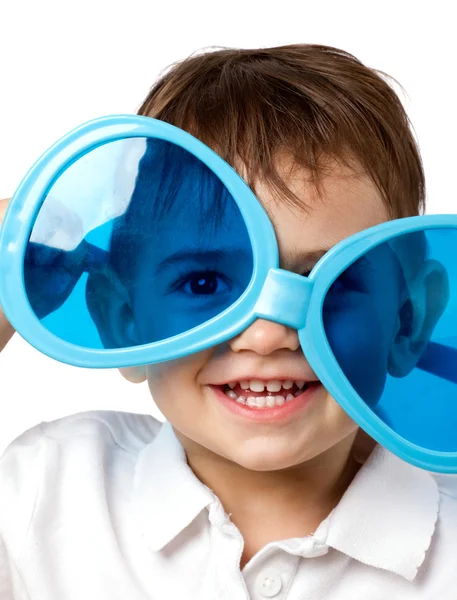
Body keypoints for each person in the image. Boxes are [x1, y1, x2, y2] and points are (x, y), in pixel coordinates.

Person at [0, 43, 456, 599]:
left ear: (406, 320)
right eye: (204, 283)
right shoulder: (45, 494)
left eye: (333, 283)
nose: (266, 336)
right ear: (124, 319)